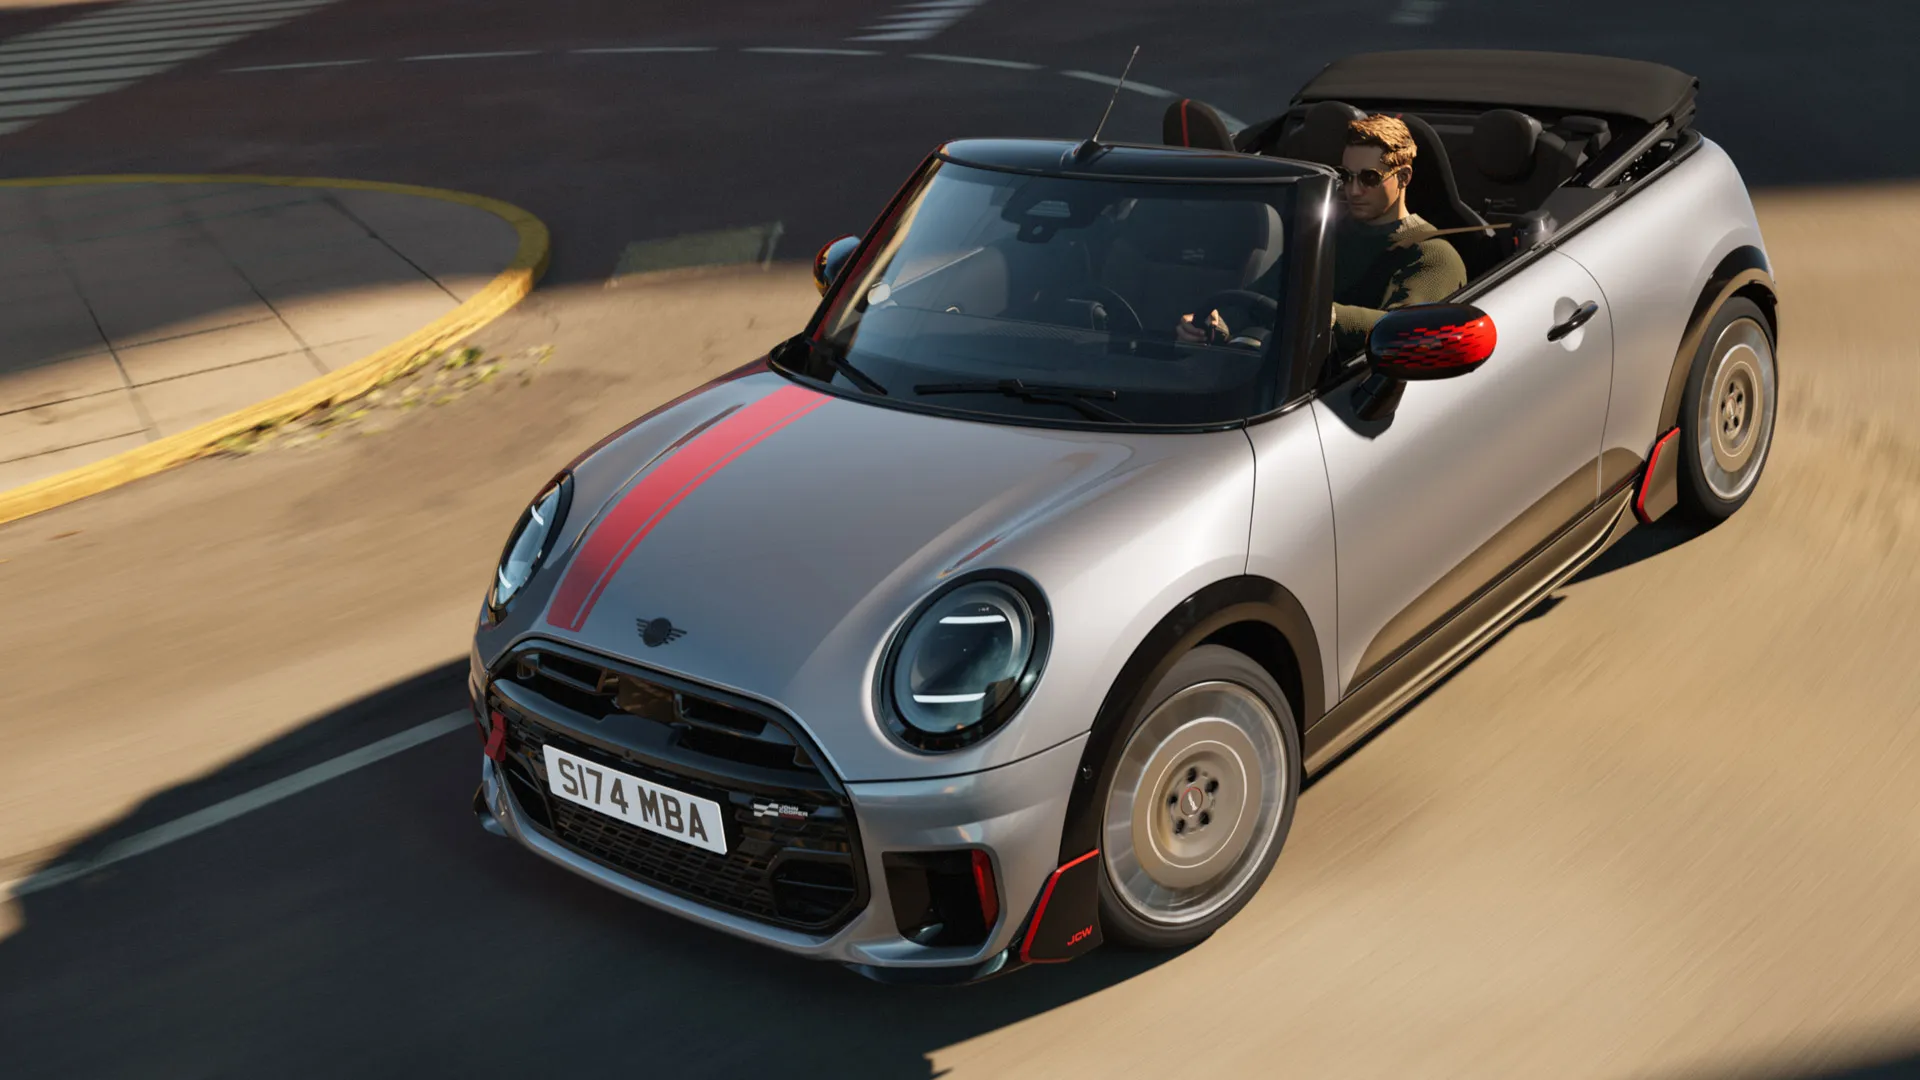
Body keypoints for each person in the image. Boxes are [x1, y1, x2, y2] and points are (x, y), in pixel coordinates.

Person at [1177, 113, 1468, 353]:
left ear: (1403, 177)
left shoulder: (1433, 255)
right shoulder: (1326, 235)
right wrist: (1214, 326)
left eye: (1369, 178)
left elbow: (1403, 332)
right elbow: (1266, 296)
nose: (1354, 190)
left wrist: (1322, 315)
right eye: (1346, 176)